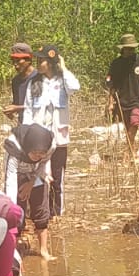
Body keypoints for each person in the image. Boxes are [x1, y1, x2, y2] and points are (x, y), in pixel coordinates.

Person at [25, 45, 81, 217]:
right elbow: (28, 110)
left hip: (59, 138)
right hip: (39, 139)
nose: (38, 63)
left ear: (50, 63)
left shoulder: (62, 81)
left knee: (57, 178)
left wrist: (64, 68)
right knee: (39, 176)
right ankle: (41, 212)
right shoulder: (34, 83)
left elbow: (75, 87)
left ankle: (57, 213)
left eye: (41, 60)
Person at [3, 123, 56, 260]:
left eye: (41, 153)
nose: (37, 156)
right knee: (17, 210)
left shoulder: (50, 146)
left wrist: (31, 182)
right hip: (17, 174)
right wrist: (12, 206)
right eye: (34, 153)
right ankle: (15, 249)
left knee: (41, 208)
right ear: (28, 148)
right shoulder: (14, 147)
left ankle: (43, 249)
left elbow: (43, 164)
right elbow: (10, 180)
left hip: (36, 173)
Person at [105, 35, 139, 158]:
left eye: (132, 48)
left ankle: (128, 151)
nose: (130, 51)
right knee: (127, 126)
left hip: (137, 99)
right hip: (122, 100)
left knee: (134, 123)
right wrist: (110, 101)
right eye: (128, 48)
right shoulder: (116, 64)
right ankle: (131, 147)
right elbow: (111, 83)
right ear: (123, 49)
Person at [2, 43, 38, 123]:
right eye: (13, 61)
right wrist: (11, 112)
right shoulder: (16, 81)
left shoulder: (39, 78)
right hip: (23, 126)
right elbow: (17, 104)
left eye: (18, 60)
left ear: (29, 60)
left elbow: (42, 105)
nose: (15, 64)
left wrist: (17, 108)